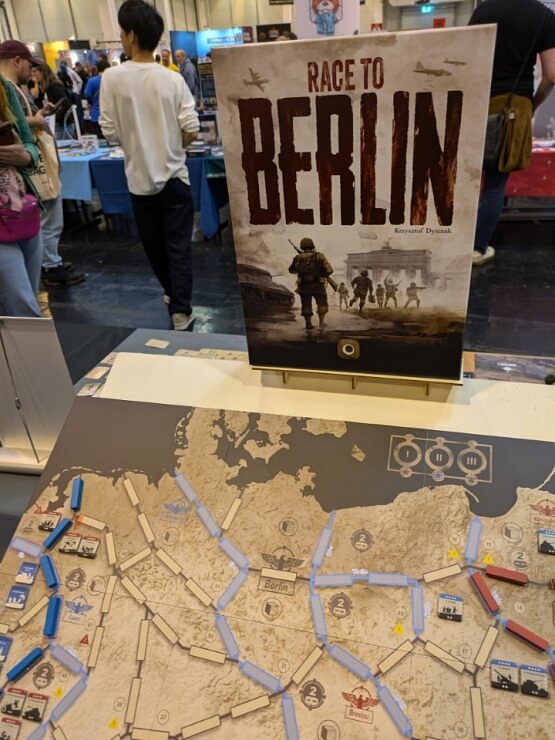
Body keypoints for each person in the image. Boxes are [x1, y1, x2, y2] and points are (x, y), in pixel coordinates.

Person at [99, 0, 200, 331]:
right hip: (175, 177)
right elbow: (191, 128)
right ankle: (181, 310)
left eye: (121, 32)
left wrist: (136, 141)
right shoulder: (171, 79)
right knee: (178, 246)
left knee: (155, 247)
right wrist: (171, 147)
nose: (121, 37)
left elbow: (109, 131)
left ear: (131, 35)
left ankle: (173, 296)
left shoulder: (111, 78)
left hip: (139, 179)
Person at [469, 0, 555, 266]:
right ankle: (477, 248)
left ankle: (453, 242)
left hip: (477, 102)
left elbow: (466, 59)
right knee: (495, 183)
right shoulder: (543, 16)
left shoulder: (484, 10)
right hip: (515, 108)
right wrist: (532, 104)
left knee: (466, 179)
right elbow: (552, 75)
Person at [0, 40, 84, 288]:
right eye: (29, 64)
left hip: (24, 169)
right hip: (20, 178)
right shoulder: (8, 88)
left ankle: (49, 264)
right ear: (17, 61)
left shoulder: (12, 89)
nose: (32, 70)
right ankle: (50, 265)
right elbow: (15, 126)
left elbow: (20, 130)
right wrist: (35, 122)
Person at [0, 66, 42, 317]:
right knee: (23, 307)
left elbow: (29, 144)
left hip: (22, 210)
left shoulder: (4, 87)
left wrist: (25, 155)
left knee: (25, 305)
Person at [288, 237, 334, 330]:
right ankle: (321, 324)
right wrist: (322, 274)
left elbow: (291, 270)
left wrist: (302, 267)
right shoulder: (320, 256)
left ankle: (308, 324)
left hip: (304, 285)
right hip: (318, 285)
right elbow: (329, 270)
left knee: (306, 304)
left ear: (302, 247)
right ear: (312, 245)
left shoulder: (297, 258)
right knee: (322, 304)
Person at [84, 60, 110, 138]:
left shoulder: (92, 81)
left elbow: (87, 94)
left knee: (98, 140)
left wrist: (92, 102)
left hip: (96, 114)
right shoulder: (112, 80)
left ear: (98, 69)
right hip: (110, 115)